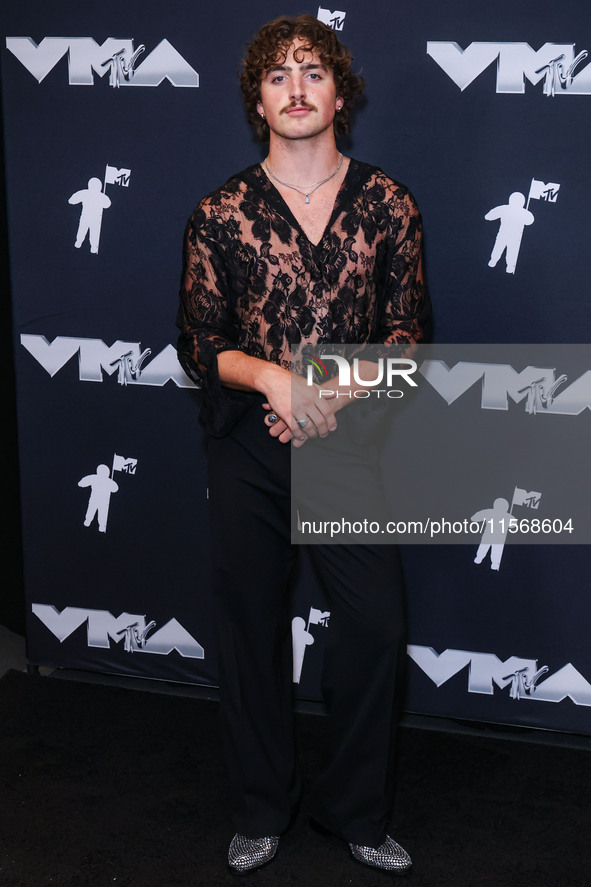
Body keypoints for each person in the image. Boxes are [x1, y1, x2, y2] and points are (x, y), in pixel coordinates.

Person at [176, 14, 430, 875]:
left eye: (311, 72)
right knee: (248, 628)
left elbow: (409, 341)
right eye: (278, 75)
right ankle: (259, 806)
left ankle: (354, 810)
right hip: (249, 443)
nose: (295, 87)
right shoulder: (219, 213)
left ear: (337, 93)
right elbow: (200, 345)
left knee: (373, 627)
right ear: (259, 100)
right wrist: (277, 383)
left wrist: (324, 392)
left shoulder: (389, 204)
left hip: (347, 441)